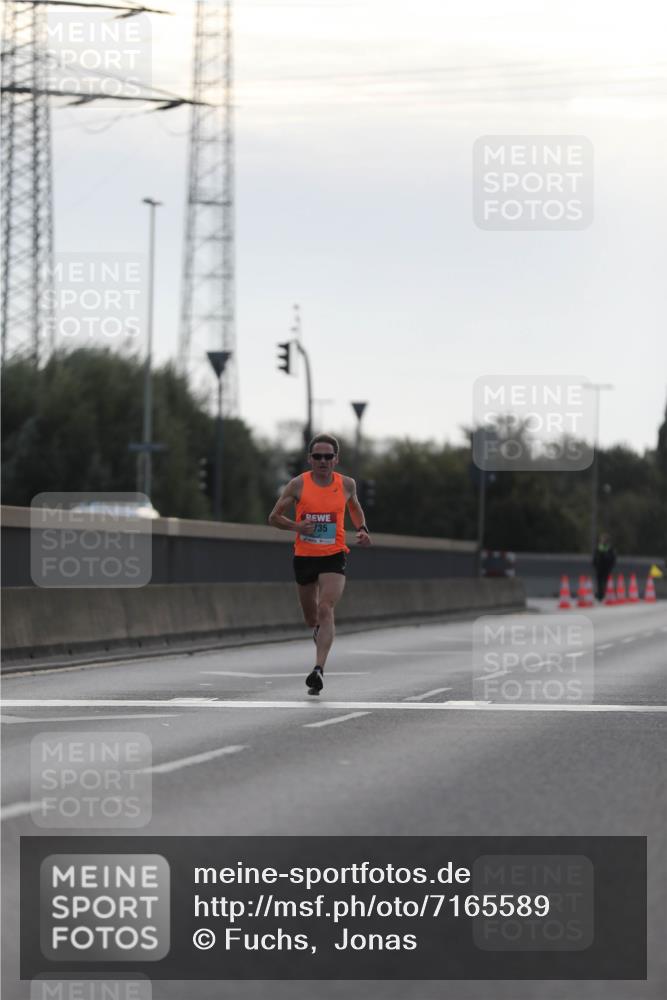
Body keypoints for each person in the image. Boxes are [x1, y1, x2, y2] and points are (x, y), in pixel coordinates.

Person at [268, 433, 372, 694]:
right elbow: (274, 518)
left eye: (328, 456)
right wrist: (297, 526)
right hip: (304, 556)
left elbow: (355, 508)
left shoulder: (347, 484)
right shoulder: (297, 485)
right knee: (311, 617)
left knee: (326, 608)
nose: (323, 461)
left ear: (336, 459)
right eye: (317, 456)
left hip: (334, 554)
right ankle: (318, 631)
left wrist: (361, 528)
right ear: (310, 459)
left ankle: (318, 670)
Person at [593, 533, 616, 601]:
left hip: (606, 568)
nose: (602, 540)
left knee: (605, 582)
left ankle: (604, 594)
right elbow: (595, 557)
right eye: (602, 539)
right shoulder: (599, 547)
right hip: (599, 568)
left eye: (604, 539)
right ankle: (600, 595)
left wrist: (610, 566)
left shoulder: (609, 548)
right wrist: (595, 564)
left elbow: (612, 558)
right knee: (599, 582)